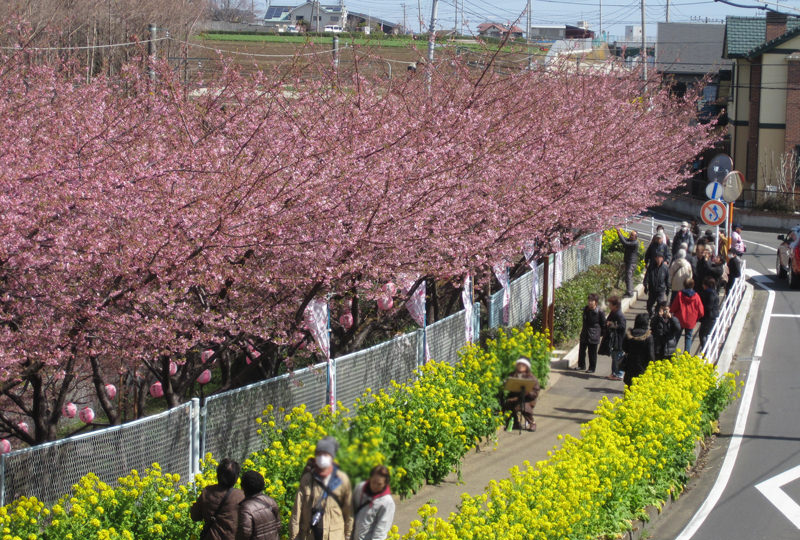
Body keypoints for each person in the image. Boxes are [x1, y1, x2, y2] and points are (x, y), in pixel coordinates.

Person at [290, 436, 353, 540]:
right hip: (310, 535)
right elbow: (297, 511)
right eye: (319, 454)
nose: (322, 457)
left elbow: (348, 512)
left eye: (325, 454)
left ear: (332, 457)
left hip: (334, 536)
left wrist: (348, 535)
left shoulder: (342, 479)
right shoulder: (307, 479)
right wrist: (294, 537)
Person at [191, 458, 246, 540]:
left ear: (217, 475)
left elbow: (195, 516)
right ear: (236, 478)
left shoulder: (207, 492)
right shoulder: (241, 496)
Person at [352, 465, 396, 540]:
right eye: (373, 482)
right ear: (370, 478)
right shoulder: (360, 488)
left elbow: (381, 531)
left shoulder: (387, 502)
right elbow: (351, 510)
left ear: (385, 484)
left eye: (379, 484)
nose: (375, 486)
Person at [238, 471, 280, 540]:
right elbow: (278, 525)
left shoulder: (246, 508)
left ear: (243, 487)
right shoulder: (271, 501)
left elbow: (244, 534)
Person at [502, 357, 541, 431]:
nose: (520, 367)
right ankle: (515, 423)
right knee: (507, 404)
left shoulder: (531, 377)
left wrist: (528, 392)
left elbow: (535, 391)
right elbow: (507, 384)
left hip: (527, 399)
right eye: (519, 365)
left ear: (527, 367)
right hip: (514, 397)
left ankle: (532, 423)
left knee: (523, 406)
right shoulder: (513, 374)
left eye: (523, 365)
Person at [572, 293, 606, 374]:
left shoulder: (600, 312)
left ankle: (592, 368)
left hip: (594, 334)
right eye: (589, 300)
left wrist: (600, 334)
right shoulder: (586, 309)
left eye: (592, 301)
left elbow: (603, 324)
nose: (590, 302)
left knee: (592, 352)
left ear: (596, 302)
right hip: (585, 332)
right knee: (582, 350)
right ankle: (581, 365)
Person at [670, 278, 705, 353]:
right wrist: (697, 318)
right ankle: (686, 354)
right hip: (691, 320)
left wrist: (671, 312)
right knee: (688, 338)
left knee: (676, 336)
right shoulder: (696, 296)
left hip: (680, 319)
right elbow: (701, 311)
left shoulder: (680, 294)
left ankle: (672, 352)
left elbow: (674, 307)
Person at [622, 313, 655, 387]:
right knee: (640, 388)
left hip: (630, 364)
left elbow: (624, 347)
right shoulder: (648, 337)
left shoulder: (629, 334)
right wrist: (653, 366)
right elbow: (650, 354)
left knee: (630, 386)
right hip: (643, 366)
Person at [602, 295, 626, 380]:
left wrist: (612, 325)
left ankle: (619, 374)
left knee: (617, 357)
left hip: (619, 341)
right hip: (613, 340)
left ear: (615, 305)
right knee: (614, 356)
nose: (609, 305)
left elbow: (622, 327)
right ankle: (614, 373)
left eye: (610, 304)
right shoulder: (613, 313)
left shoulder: (620, 315)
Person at [697, 276, 720, 349]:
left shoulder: (709, 294)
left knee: (703, 334)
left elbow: (708, 307)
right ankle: (706, 349)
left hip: (709, 317)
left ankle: (705, 350)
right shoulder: (714, 292)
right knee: (708, 334)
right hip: (713, 316)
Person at [616, 228, 640, 297]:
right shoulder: (632, 241)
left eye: (632, 235)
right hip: (630, 261)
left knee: (628, 277)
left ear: (635, 237)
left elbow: (625, 243)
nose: (630, 236)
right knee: (629, 277)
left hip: (631, 262)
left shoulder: (634, 243)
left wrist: (619, 234)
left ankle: (630, 292)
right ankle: (630, 290)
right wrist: (619, 232)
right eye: (630, 234)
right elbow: (625, 239)